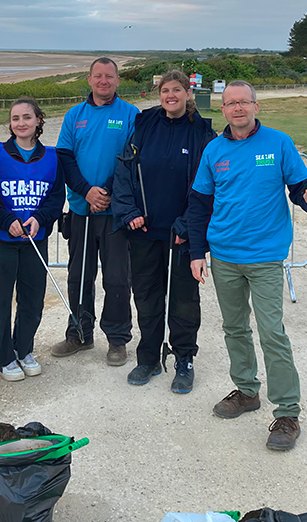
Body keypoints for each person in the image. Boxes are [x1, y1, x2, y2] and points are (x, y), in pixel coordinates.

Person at [186, 80, 307, 451]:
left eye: (243, 102)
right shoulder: (213, 150)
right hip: (224, 256)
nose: (237, 109)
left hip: (265, 255)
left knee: (271, 332)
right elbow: (199, 205)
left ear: (255, 106)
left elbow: (300, 190)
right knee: (234, 328)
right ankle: (247, 391)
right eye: (230, 103)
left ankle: (287, 412)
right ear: (223, 109)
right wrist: (196, 253)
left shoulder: (279, 143)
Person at [112, 70, 216, 393]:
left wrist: (188, 224)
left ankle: (183, 358)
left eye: (176, 90)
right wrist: (128, 211)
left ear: (188, 93)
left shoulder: (202, 133)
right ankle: (149, 357)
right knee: (146, 295)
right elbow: (124, 170)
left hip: (183, 234)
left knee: (184, 300)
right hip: (144, 230)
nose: (170, 95)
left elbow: (208, 186)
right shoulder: (144, 125)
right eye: (164, 90)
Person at [51, 57, 139, 366]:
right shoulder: (75, 115)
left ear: (117, 80)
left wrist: (105, 192)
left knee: (117, 278)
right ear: (89, 79)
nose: (104, 81)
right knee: (79, 276)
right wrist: (86, 191)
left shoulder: (131, 114)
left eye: (110, 76)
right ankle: (79, 334)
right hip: (81, 209)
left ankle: (117, 339)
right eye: (98, 76)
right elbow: (65, 157)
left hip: (115, 212)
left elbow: (129, 159)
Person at [0, 98, 65, 381]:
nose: (21, 123)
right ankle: (3, 355)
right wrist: (7, 221)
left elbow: (55, 198)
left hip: (34, 240)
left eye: (27, 117)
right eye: (15, 118)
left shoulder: (53, 156)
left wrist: (40, 218)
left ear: (38, 120)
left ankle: (23, 348)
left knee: (32, 299)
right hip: (2, 239)